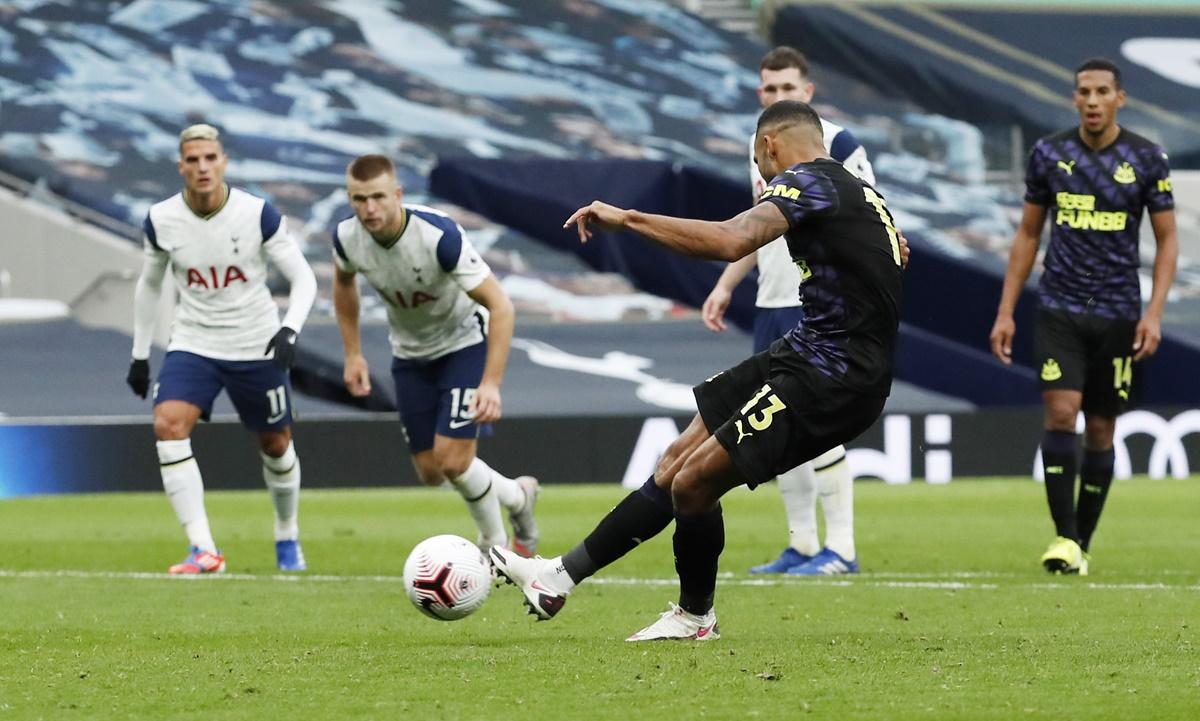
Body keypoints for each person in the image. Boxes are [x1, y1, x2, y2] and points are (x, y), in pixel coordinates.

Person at [491, 100, 904, 640]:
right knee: (674, 461)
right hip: (807, 351)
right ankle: (557, 579)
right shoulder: (859, 191)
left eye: (758, 162)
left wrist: (627, 218)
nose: (760, 175)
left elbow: (731, 240)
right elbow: (896, 251)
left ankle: (694, 617)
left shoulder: (807, 181)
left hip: (835, 373)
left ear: (769, 146)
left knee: (693, 483)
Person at [989, 58, 1176, 576]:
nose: (1091, 101)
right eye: (1083, 92)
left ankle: (1080, 544)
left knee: (1100, 430)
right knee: (1060, 414)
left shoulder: (1146, 158)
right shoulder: (1050, 154)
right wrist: (1006, 311)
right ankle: (1064, 537)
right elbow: (1028, 234)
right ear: (1074, 99)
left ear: (1120, 98)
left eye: (1101, 92)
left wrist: (1154, 314)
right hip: (1059, 308)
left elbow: (1166, 241)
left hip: (1118, 312)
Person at [702, 45, 874, 576]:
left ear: (807, 93)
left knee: (818, 427)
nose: (778, 96)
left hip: (816, 301)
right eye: (770, 89)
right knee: (779, 428)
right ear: (761, 95)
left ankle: (841, 547)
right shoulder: (760, 147)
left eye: (787, 89)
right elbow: (758, 224)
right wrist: (727, 282)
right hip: (770, 299)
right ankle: (801, 544)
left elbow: (869, 211)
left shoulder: (839, 144)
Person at [126, 123, 318, 574]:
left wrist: (290, 329)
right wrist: (139, 355)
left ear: (223, 162)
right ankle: (203, 549)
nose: (202, 167)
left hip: (256, 342)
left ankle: (287, 534)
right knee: (169, 424)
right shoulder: (162, 219)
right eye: (193, 160)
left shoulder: (257, 213)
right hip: (195, 342)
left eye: (210, 158)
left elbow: (303, 277)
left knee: (276, 444)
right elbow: (149, 285)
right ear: (181, 167)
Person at [331, 155, 539, 554]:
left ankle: (493, 547)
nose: (369, 209)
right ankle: (518, 497)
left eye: (377, 197)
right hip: (409, 354)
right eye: (359, 199)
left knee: (453, 459)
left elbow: (501, 306)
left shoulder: (438, 236)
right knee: (430, 471)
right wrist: (353, 354)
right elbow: (343, 284)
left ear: (397, 195)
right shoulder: (346, 237)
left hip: (463, 345)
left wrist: (490, 383)